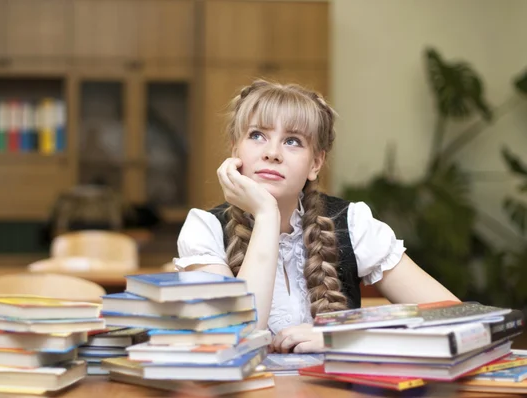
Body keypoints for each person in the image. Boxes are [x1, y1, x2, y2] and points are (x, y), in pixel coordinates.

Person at [174, 79, 459, 354]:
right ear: (235, 150)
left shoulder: (352, 223)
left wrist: (346, 336)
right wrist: (265, 216)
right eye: (257, 135)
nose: (272, 153)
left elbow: (458, 318)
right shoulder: (204, 229)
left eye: (293, 141)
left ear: (316, 163)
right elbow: (237, 340)